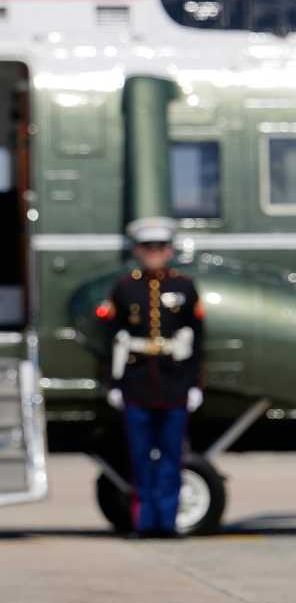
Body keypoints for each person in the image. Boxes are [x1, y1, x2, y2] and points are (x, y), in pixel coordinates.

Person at [100, 216, 205, 538]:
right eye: (148, 247)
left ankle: (168, 521)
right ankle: (144, 522)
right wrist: (115, 384)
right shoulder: (125, 288)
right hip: (138, 382)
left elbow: (197, 340)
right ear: (138, 251)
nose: (154, 253)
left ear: (169, 250)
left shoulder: (184, 287)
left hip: (173, 382)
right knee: (140, 459)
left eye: (159, 247)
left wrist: (194, 384)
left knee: (172, 458)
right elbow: (113, 339)